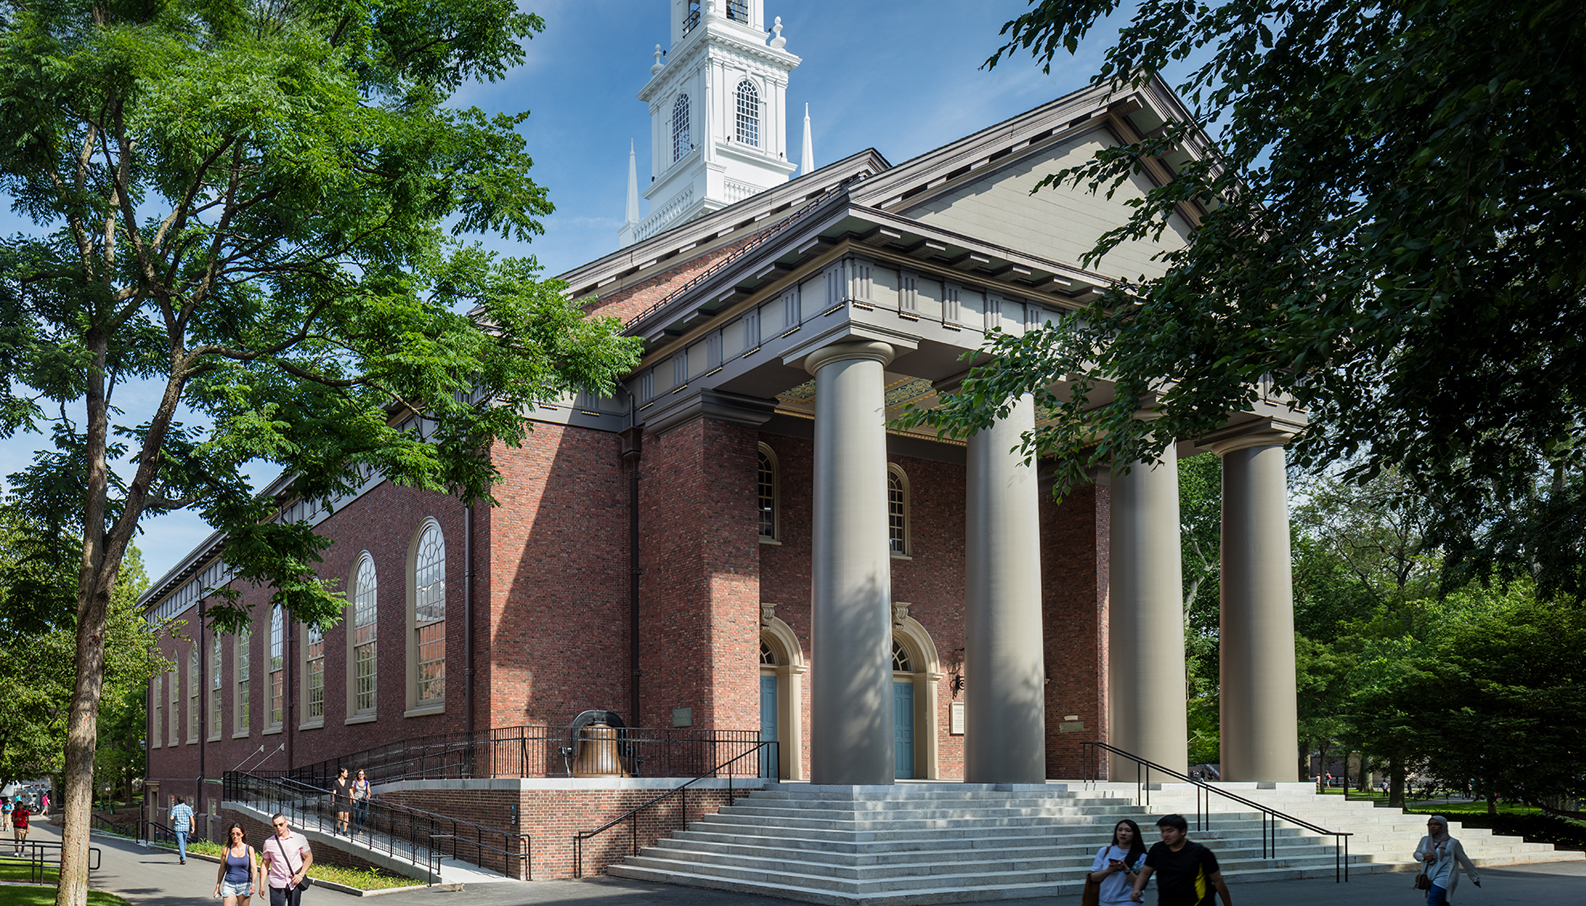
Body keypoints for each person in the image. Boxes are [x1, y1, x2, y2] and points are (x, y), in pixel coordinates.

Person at [1131, 814, 1233, 905]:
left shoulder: (1200, 852)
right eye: (1162, 831)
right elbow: (1145, 872)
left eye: (1170, 831)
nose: (1165, 835)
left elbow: (1217, 880)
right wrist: (1136, 889)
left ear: (1183, 831)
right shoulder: (1157, 850)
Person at [1415, 815, 1480, 905]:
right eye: (1430, 824)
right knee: (1441, 902)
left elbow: (1465, 860)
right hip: (1429, 874)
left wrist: (1474, 877)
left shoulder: (1453, 843)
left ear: (1443, 826)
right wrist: (1423, 857)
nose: (1432, 826)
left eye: (1436, 824)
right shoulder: (1425, 840)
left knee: (1433, 900)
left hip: (1445, 875)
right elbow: (1417, 853)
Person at [1088, 818, 1148, 906]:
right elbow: (1093, 877)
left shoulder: (1141, 856)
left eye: (1128, 831)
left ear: (1135, 834)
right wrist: (1108, 870)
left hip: (1128, 901)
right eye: (1120, 830)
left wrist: (1126, 869)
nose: (1123, 833)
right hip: (1105, 900)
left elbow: (1140, 884)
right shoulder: (1105, 851)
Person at [262, 813, 313, 906]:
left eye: (281, 824)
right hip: (276, 884)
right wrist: (261, 885)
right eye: (275, 825)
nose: (278, 827)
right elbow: (265, 864)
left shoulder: (299, 838)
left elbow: (309, 857)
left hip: (294, 882)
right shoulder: (268, 843)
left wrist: (301, 874)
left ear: (286, 823)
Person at [213, 822, 260, 906]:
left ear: (242, 834)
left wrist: (253, 883)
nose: (235, 836)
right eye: (233, 834)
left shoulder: (249, 849)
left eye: (238, 834)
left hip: (245, 885)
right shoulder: (226, 850)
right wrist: (218, 886)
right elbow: (222, 869)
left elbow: (254, 869)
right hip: (229, 885)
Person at [169, 795, 195, 864]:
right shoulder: (188, 808)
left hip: (178, 828)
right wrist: (193, 827)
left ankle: (183, 858)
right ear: (184, 800)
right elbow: (192, 818)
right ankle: (182, 856)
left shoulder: (175, 808)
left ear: (177, 801)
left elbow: (171, 818)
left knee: (181, 842)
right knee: (184, 842)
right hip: (186, 828)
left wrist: (174, 816)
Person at [330, 767, 351, 836]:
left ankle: (345, 831)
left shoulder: (348, 782)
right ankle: (338, 825)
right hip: (339, 800)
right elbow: (334, 792)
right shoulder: (336, 782)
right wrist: (333, 800)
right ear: (342, 773)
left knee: (346, 815)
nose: (347, 774)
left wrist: (353, 798)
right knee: (341, 816)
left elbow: (350, 791)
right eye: (346, 772)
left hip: (346, 800)